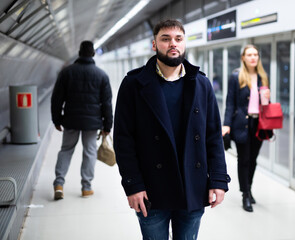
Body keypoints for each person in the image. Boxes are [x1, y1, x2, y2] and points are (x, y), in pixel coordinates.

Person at [113, 19, 230, 240]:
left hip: (192, 188)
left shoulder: (200, 84)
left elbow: (213, 136)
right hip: (151, 189)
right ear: (154, 44)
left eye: (178, 39)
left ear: (185, 43)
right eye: (165, 39)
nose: (172, 44)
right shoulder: (134, 84)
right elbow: (123, 140)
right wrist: (133, 185)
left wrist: (218, 180)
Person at [51, 40, 113, 200]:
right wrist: (108, 125)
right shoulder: (101, 75)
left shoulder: (67, 72)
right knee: (90, 151)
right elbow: (107, 103)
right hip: (92, 123)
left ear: (79, 53)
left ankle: (59, 184)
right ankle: (86, 187)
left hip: (71, 119)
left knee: (66, 150)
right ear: (92, 54)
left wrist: (56, 119)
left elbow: (57, 98)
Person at [222, 44, 270, 212]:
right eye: (249, 54)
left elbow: (265, 105)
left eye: (255, 54)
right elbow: (230, 102)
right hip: (241, 124)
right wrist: (226, 124)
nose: (253, 57)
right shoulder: (236, 77)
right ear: (243, 57)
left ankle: (248, 188)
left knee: (253, 160)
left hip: (259, 125)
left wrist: (267, 99)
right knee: (244, 160)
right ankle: (245, 195)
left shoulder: (263, 77)